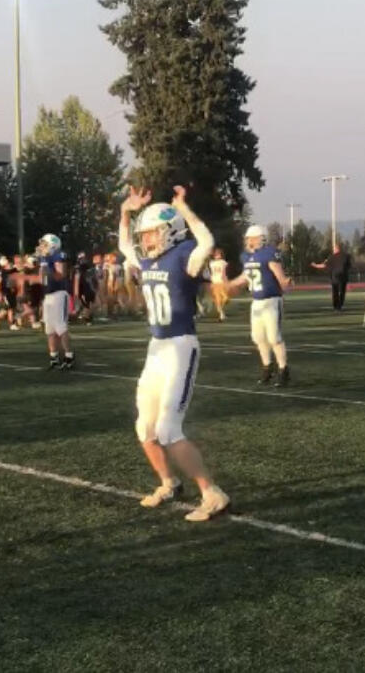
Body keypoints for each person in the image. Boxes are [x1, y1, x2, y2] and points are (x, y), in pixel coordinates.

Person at [119, 184, 230, 523]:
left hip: (181, 346)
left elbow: (207, 243)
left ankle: (212, 493)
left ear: (169, 232)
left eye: (152, 233)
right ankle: (169, 482)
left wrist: (184, 209)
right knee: (145, 428)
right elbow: (125, 244)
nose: (146, 240)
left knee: (169, 429)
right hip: (157, 347)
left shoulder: (183, 255)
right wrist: (126, 212)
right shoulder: (148, 257)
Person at [229, 224, 292, 387]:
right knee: (258, 337)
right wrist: (229, 284)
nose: (248, 241)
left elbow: (278, 272)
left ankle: (283, 370)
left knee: (274, 338)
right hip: (256, 302)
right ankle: (267, 368)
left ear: (260, 238)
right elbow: (246, 276)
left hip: (271, 300)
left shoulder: (269, 253)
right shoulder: (246, 256)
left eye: (251, 238)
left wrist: (284, 282)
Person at [36, 233, 74, 369]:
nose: (42, 246)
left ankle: (69, 356)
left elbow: (60, 274)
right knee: (49, 329)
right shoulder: (43, 258)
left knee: (60, 327)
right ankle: (54, 356)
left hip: (58, 293)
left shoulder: (58, 255)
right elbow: (42, 279)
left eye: (45, 244)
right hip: (48, 295)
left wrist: (47, 271)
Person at [312, 242, 352, 311]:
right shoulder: (346, 256)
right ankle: (340, 305)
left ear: (336, 249)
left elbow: (324, 265)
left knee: (335, 292)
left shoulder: (332, 257)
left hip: (335, 277)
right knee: (342, 292)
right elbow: (349, 266)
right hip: (343, 277)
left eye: (334, 248)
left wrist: (315, 265)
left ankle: (336, 306)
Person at [208, 248, 230, 321]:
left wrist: (225, 280)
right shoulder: (212, 263)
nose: (218, 255)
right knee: (218, 299)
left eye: (219, 254)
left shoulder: (222, 262)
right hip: (215, 281)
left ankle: (221, 312)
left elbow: (224, 273)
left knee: (225, 298)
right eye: (216, 254)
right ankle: (221, 314)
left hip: (220, 281)